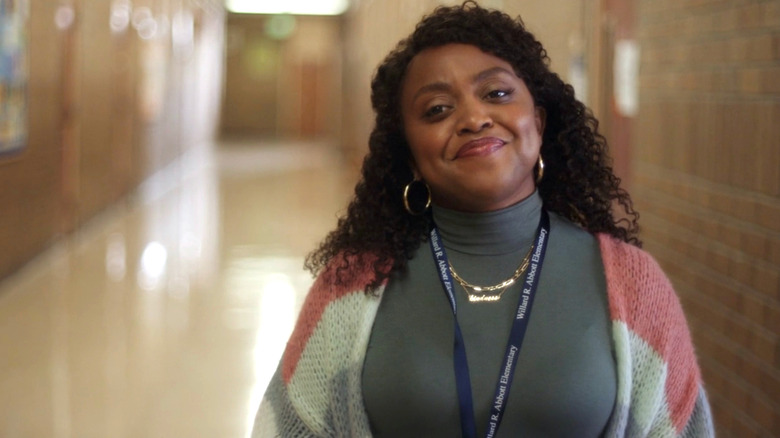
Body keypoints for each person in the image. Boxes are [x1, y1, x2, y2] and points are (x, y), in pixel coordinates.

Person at [253, 2, 714, 437]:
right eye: (437, 110)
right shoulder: (352, 285)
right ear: (409, 154)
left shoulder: (633, 285)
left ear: (538, 119)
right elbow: (289, 424)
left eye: (496, 93)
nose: (474, 118)